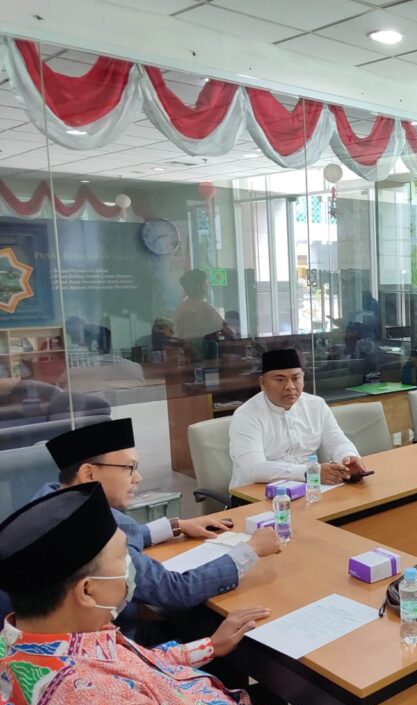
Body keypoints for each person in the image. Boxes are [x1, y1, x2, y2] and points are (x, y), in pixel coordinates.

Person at [0, 483, 321, 705]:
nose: (132, 565)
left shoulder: (32, 640)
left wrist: (210, 646)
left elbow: (134, 667)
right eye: (123, 555)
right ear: (86, 591)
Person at [0, 418, 283, 638]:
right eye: (129, 468)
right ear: (88, 473)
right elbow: (176, 591)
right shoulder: (78, 531)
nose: (138, 478)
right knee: (219, 627)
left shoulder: (57, 500)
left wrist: (176, 525)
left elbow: (123, 531)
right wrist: (251, 549)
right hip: (116, 644)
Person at [230, 348, 369, 488]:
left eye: (296, 378)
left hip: (309, 489)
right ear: (263, 383)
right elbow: (255, 469)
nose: (290, 387)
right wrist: (311, 472)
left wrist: (348, 458)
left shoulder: (316, 405)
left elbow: (338, 442)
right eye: (280, 379)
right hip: (256, 495)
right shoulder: (246, 416)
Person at [172, 268, 235, 342]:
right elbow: (229, 332)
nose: (208, 286)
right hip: (204, 350)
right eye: (206, 283)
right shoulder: (205, 308)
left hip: (185, 350)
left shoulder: (181, 308)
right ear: (200, 287)